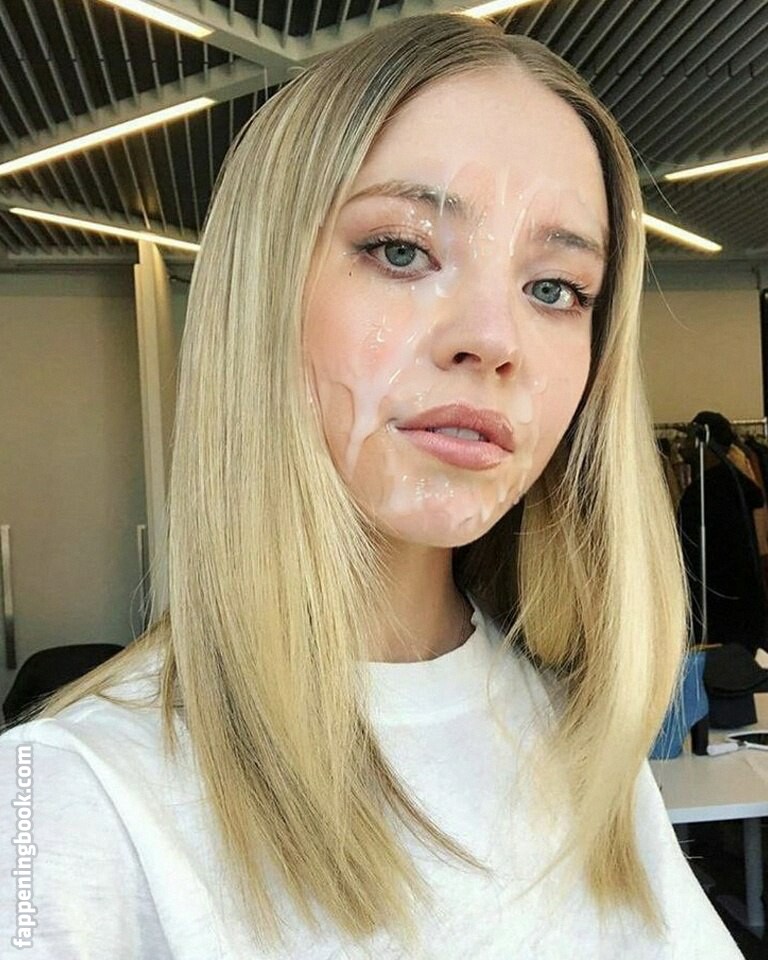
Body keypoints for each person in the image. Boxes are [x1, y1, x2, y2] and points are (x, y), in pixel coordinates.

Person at [0, 13, 743, 958]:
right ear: (263, 294)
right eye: (401, 250)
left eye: (555, 289)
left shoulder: (582, 742)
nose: (495, 339)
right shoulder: (63, 803)